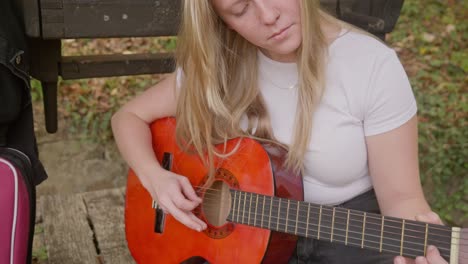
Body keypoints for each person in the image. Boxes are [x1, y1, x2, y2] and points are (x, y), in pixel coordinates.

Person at [111, 1, 448, 263]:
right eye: (241, 9)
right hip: (244, 246)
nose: (268, 15)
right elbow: (128, 117)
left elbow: (403, 199)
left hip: (349, 241)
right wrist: (154, 176)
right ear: (221, 20)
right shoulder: (221, 66)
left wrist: (424, 246)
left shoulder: (371, 66)